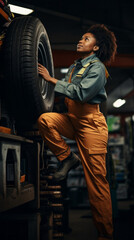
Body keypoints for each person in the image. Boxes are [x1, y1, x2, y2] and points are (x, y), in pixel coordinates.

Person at [37, 24, 117, 240]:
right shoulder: (75, 66)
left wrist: (52, 80)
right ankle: (67, 158)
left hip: (91, 126)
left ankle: (105, 234)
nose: (81, 40)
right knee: (46, 120)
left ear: (96, 47)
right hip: (73, 121)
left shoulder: (97, 67)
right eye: (81, 37)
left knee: (96, 185)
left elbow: (81, 93)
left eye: (87, 39)